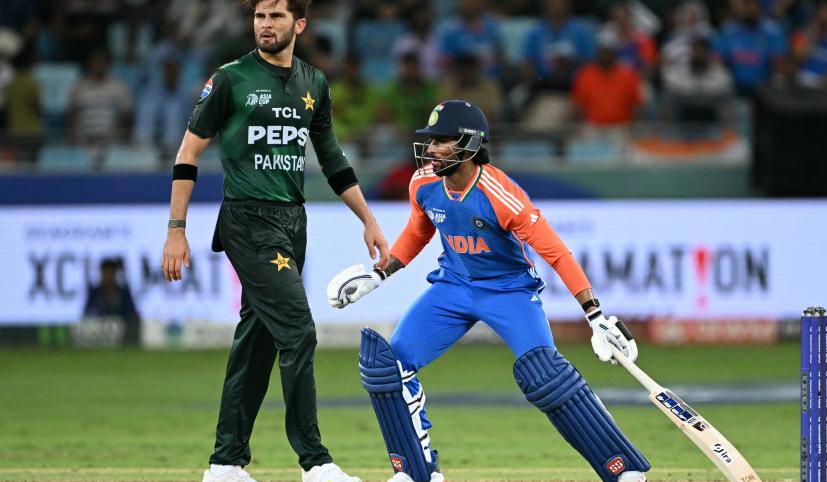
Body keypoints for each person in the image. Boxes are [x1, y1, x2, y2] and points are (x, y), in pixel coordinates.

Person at [327, 100, 650, 482]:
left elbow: (557, 254)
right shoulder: (424, 183)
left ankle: (624, 469)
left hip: (508, 291)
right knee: (389, 368)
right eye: (430, 141)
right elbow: (420, 230)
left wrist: (595, 315)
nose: (430, 150)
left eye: (441, 141)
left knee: (548, 378)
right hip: (453, 287)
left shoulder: (501, 193)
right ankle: (419, 472)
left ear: (468, 145)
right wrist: (381, 274)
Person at [160, 1, 390, 481]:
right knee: (299, 330)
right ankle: (316, 462)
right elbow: (188, 151)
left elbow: (331, 158)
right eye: (260, 16)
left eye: (276, 16)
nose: (265, 24)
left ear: (299, 24)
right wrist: (176, 229)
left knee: (257, 342)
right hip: (248, 220)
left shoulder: (314, 83)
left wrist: (367, 219)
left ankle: (224, 464)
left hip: (293, 221)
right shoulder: (230, 78)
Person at [83, 258, 141, 346]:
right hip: (98, 335)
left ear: (115, 274)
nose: (108, 276)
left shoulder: (123, 292)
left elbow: (131, 312)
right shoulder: (95, 293)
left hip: (122, 335)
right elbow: (87, 314)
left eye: (111, 272)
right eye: (106, 273)